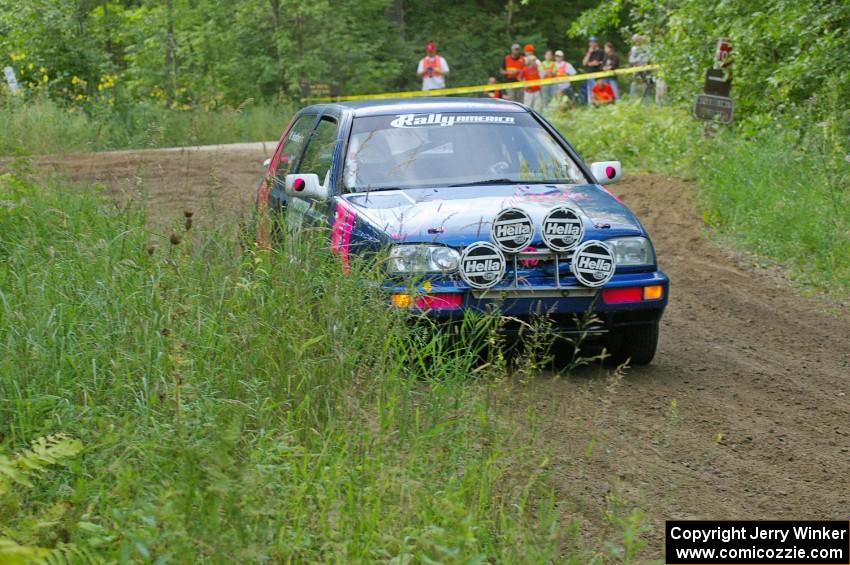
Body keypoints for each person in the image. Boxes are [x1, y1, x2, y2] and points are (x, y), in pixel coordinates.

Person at [581, 36, 605, 104]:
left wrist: (590, 63)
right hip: (590, 74)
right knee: (590, 92)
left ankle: (600, 104)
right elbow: (584, 63)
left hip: (598, 75)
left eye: (593, 42)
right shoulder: (589, 52)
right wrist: (589, 53)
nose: (591, 44)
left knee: (598, 91)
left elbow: (596, 63)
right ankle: (592, 105)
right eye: (590, 42)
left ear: (596, 43)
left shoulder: (600, 51)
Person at [627, 34, 651, 99]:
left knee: (645, 85)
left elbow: (647, 59)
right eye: (635, 41)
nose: (636, 42)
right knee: (634, 84)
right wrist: (638, 60)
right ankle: (632, 101)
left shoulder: (646, 48)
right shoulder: (633, 49)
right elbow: (630, 60)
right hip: (636, 70)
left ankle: (646, 102)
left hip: (645, 70)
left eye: (637, 40)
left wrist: (639, 60)